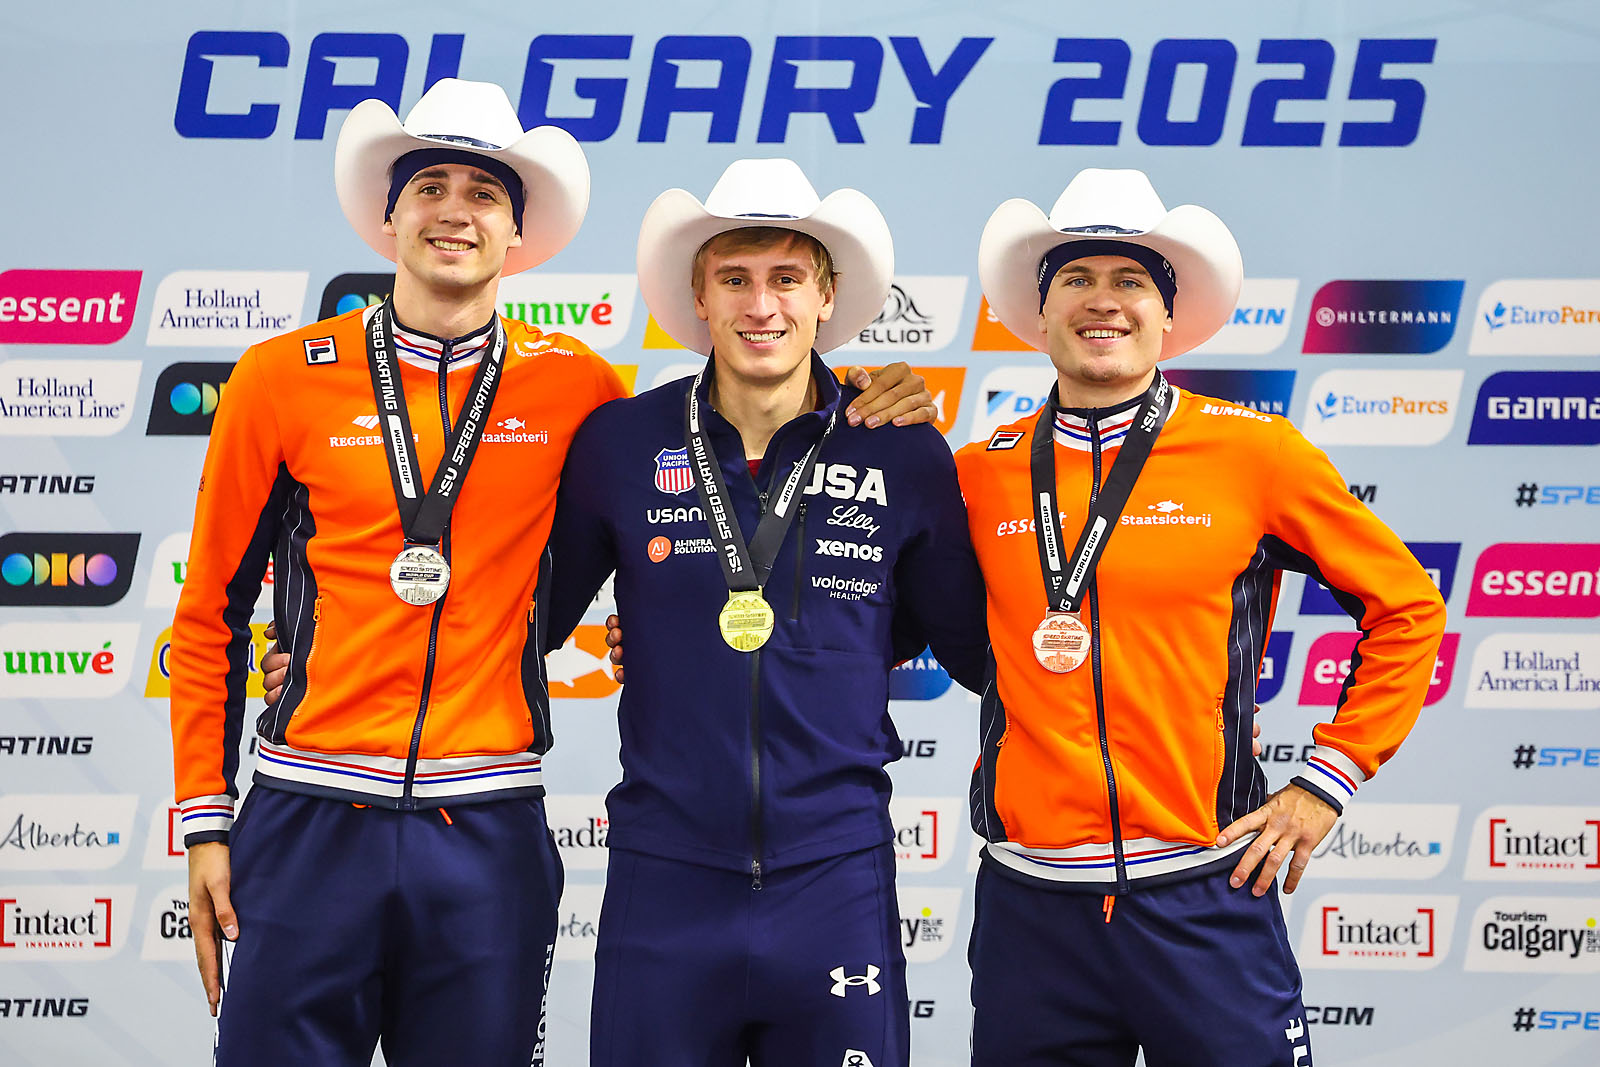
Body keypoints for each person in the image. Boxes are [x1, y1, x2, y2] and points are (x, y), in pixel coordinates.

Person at [197, 81, 927, 1065]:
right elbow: (207, 610)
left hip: (488, 826)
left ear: (516, 228)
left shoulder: (581, 389)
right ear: (388, 211)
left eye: (484, 192)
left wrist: (879, 388)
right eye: (429, 185)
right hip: (307, 811)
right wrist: (205, 818)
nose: (454, 209)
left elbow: (643, 550)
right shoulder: (280, 375)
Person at [954, 168, 1448, 1066]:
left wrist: (1327, 778)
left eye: (1131, 280)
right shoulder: (978, 471)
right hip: (1031, 912)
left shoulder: (1254, 453)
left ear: (1168, 313)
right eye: (1078, 278)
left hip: (1205, 891)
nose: (1103, 302)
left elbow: (1407, 605)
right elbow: (862, 599)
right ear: (1040, 307)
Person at [541, 158, 989, 1067]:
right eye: (735, 279)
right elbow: (519, 619)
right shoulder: (620, 443)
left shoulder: (901, 452)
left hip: (835, 880)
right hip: (663, 878)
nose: (762, 305)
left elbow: (980, 649)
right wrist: (340, 653)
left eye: (788, 278)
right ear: (699, 296)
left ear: (826, 296)